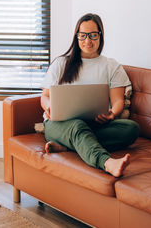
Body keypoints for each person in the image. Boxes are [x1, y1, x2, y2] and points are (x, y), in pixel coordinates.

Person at [40, 13, 139, 177]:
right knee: (77, 126)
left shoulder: (111, 66)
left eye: (93, 35)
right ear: (76, 37)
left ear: (100, 35)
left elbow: (118, 101)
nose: (88, 41)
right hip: (60, 125)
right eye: (83, 35)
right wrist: (49, 106)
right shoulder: (61, 63)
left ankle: (69, 145)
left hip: (95, 124)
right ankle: (107, 163)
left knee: (131, 129)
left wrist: (112, 114)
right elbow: (45, 96)